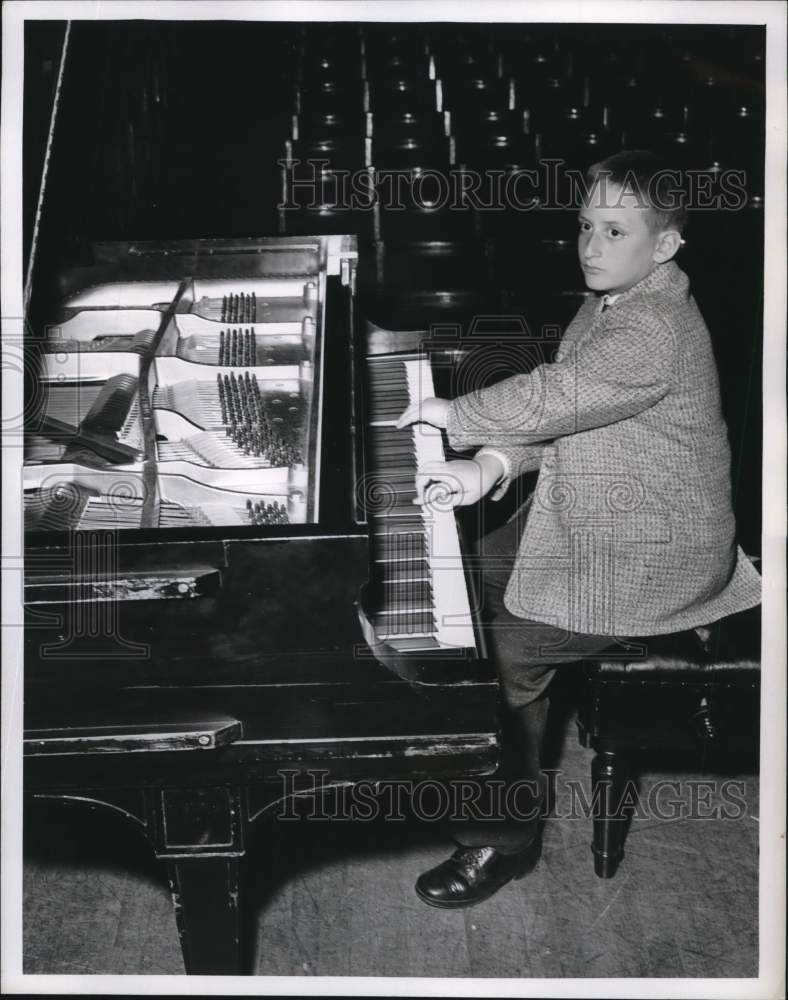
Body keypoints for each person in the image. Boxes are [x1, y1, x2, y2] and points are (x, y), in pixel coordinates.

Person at [395, 150, 762, 909]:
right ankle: (460, 750)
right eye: (586, 226)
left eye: (615, 231)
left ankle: (503, 835)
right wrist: (490, 465)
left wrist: (456, 417)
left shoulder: (655, 325)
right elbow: (570, 414)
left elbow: (555, 395)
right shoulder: (613, 301)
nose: (592, 247)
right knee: (463, 577)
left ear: (664, 245)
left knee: (509, 644)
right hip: (595, 511)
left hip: (656, 551)